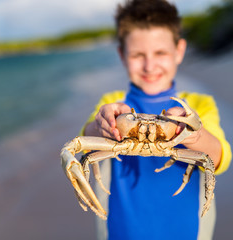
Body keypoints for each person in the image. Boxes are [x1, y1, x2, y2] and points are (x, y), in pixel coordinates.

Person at [79, 0, 232, 239]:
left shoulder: (198, 106)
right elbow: (82, 145)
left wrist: (194, 133)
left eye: (160, 53)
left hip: (188, 233)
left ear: (179, 51)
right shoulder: (113, 103)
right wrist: (100, 125)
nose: (150, 65)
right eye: (138, 55)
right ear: (122, 54)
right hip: (119, 232)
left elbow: (218, 158)